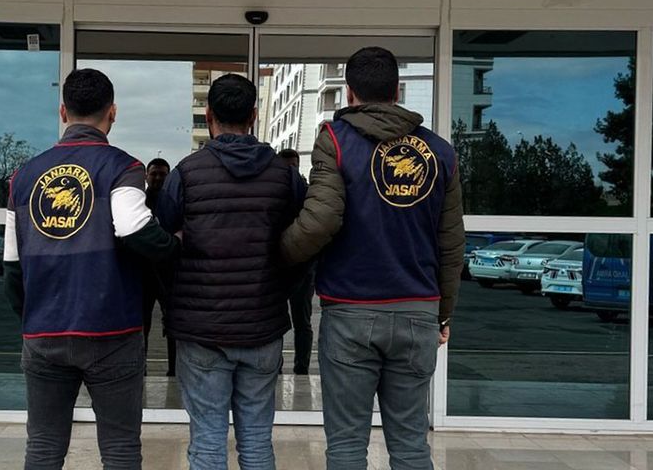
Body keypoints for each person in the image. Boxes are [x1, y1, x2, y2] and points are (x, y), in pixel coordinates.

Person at [280, 47, 465, 470]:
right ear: (397, 91)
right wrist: (442, 313)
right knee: (411, 446)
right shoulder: (441, 152)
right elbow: (452, 243)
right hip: (418, 311)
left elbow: (319, 221)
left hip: (351, 312)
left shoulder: (336, 140)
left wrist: (278, 254)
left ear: (349, 93)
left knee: (347, 447)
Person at [2, 68, 179, 470]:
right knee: (119, 448)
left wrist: (34, 317)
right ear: (112, 112)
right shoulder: (122, 167)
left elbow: (12, 268)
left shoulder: (24, 177)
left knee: (43, 446)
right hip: (111, 331)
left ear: (63, 112)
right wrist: (176, 246)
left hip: (44, 333)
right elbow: (135, 230)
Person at [155, 74, 307, 470]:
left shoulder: (186, 173)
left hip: (201, 330)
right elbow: (303, 243)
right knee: (256, 442)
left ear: (208, 116)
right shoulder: (284, 176)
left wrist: (176, 301)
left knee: (207, 442)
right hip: (262, 326)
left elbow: (162, 245)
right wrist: (280, 289)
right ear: (254, 116)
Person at [278, 147, 315, 376]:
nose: (292, 170)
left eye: (294, 166)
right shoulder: (277, 192)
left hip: (302, 267)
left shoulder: (305, 192)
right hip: (284, 266)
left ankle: (302, 367)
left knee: (302, 320)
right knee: (278, 321)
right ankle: (280, 366)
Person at [141, 157, 177, 376]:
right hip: (143, 273)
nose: (157, 178)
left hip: (168, 273)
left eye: (162, 174)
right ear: (146, 175)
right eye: (154, 173)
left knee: (172, 323)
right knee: (142, 324)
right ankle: (141, 368)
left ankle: (174, 370)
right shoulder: (137, 202)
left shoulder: (173, 203)